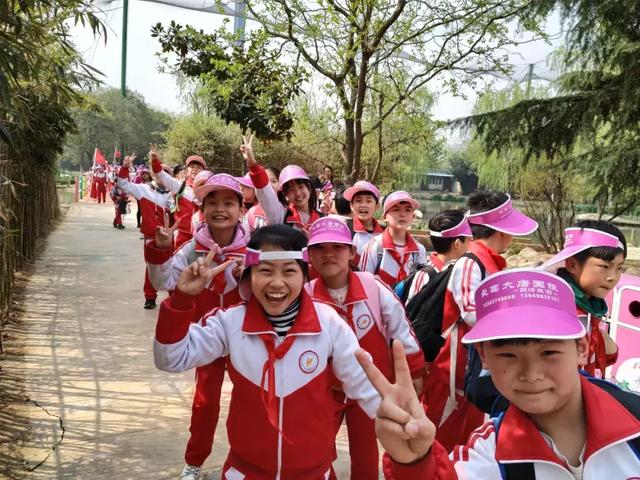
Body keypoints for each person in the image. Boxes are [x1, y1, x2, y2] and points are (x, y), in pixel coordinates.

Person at [357, 269, 640, 479]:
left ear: (582, 348)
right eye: (508, 355)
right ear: (484, 357)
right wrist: (415, 463)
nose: (530, 374)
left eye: (548, 353)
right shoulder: (489, 451)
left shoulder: (634, 421)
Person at [153, 224, 380, 479]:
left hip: (315, 473)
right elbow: (170, 358)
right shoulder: (230, 322)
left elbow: (366, 389)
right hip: (244, 472)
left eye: (289, 271)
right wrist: (181, 300)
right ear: (249, 275)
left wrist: (400, 419)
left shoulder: (329, 323)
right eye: (265, 271)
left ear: (305, 276)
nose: (277, 283)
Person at [305, 217, 425, 480]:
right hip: (324, 392)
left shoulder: (373, 287)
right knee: (315, 450)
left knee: (366, 452)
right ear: (309, 255)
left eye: (337, 247)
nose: (328, 254)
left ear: (351, 252)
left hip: (370, 388)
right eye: (319, 248)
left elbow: (401, 332)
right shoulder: (304, 296)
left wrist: (415, 374)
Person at [146, 173, 248, 480]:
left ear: (241, 209)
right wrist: (161, 250)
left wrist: (251, 277)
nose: (220, 209)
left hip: (247, 339)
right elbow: (162, 281)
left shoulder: (254, 247)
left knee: (251, 404)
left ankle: (247, 463)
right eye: (212, 202)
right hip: (206, 338)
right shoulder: (192, 248)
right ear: (202, 210)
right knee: (205, 404)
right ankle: (194, 463)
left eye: (228, 202)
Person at [423, 191, 538, 452]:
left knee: (468, 430)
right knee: (441, 431)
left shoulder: (490, 261)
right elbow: (471, 312)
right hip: (456, 366)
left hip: (478, 364)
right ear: (501, 231)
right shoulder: (470, 262)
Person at [542, 220, 626, 378]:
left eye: (619, 268)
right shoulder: (557, 311)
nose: (613, 277)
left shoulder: (590, 305)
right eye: (604, 267)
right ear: (572, 265)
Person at [117, 153, 170, 309]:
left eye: (166, 174)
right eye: (160, 173)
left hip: (171, 237)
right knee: (152, 268)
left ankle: (173, 296)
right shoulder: (144, 190)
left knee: (173, 267)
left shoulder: (174, 194)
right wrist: (125, 168)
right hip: (151, 236)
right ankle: (150, 297)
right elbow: (123, 185)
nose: (163, 177)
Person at [240, 135, 322, 234]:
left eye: (301, 187)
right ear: (285, 194)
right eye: (291, 190)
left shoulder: (323, 220)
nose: (298, 193)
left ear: (308, 188)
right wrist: (253, 165)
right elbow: (265, 192)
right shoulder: (281, 216)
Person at [359, 191, 427, 287]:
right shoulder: (375, 246)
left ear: (413, 216)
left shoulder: (419, 250)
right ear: (384, 216)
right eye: (396, 210)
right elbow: (363, 283)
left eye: (408, 210)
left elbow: (420, 286)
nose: (402, 214)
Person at [402, 210, 472, 303]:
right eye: (468, 240)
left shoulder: (459, 270)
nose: (470, 244)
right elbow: (410, 312)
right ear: (457, 244)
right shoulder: (426, 276)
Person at [151, 150, 207, 250]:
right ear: (187, 170)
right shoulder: (180, 186)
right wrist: (155, 161)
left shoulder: (209, 190)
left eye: (199, 167)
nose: (195, 169)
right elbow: (162, 175)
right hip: (182, 236)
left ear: (204, 171)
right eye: (192, 167)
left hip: (202, 238)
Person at [342, 181, 384, 267]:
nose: (363, 205)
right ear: (351, 205)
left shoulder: (385, 233)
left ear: (377, 206)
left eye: (368, 201)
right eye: (358, 201)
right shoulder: (344, 230)